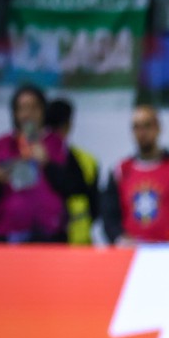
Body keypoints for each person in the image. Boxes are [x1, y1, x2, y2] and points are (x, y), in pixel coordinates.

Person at [0, 84, 81, 243]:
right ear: (15, 113)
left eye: (33, 107)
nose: (27, 114)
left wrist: (48, 164)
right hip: (7, 236)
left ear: (43, 111)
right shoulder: (1, 145)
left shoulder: (57, 144)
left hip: (50, 237)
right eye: (22, 108)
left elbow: (76, 187)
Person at [102, 105, 169, 244]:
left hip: (167, 252)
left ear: (158, 128)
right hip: (131, 254)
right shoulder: (120, 171)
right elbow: (109, 216)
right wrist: (119, 238)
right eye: (136, 127)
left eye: (147, 126)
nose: (142, 133)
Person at [45, 98, 100, 245]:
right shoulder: (32, 157)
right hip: (48, 239)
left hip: (76, 241)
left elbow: (94, 206)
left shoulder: (85, 161)